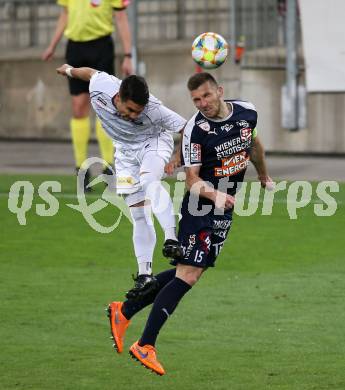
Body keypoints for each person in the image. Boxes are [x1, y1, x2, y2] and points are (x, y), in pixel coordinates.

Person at [106, 72, 273, 376]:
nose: (202, 104)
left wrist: (262, 174)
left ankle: (124, 311)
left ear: (220, 92)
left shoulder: (247, 112)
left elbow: (254, 146)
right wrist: (215, 196)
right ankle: (145, 344)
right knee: (189, 274)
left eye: (206, 97)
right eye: (196, 100)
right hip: (201, 207)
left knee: (193, 268)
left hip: (224, 207)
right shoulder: (196, 129)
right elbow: (192, 179)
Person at [56, 63, 186, 300]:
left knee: (149, 181)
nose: (135, 115)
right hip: (125, 153)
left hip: (153, 144)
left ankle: (172, 239)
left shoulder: (154, 109)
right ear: (119, 97)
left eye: (138, 111)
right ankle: (145, 274)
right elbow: (89, 73)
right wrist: (69, 71)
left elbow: (187, 128)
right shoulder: (102, 87)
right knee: (137, 213)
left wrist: (178, 155)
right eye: (131, 109)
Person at [42, 0, 133, 191]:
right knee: (78, 108)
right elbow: (65, 14)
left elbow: (121, 17)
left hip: (102, 47)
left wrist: (127, 55)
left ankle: (108, 166)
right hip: (75, 48)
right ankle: (81, 169)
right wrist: (52, 45)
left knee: (105, 106)